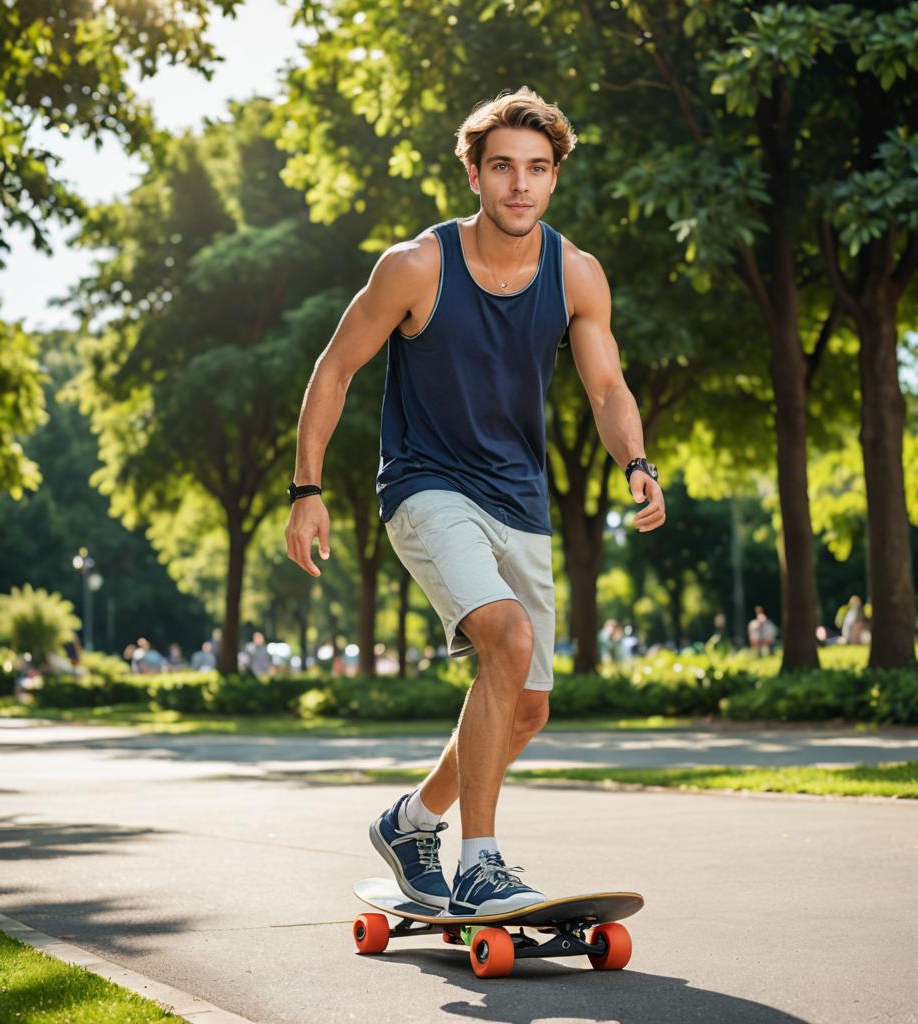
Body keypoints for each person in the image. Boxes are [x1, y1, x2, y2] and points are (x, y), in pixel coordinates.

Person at [284, 87, 665, 916]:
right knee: (506, 637)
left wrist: (637, 459)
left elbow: (607, 387)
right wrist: (306, 488)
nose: (519, 186)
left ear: (555, 176)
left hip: (519, 499)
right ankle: (481, 862)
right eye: (502, 168)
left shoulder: (575, 274)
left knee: (526, 704)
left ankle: (411, 822)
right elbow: (335, 367)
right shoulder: (416, 265)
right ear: (474, 173)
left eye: (536, 169)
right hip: (425, 486)